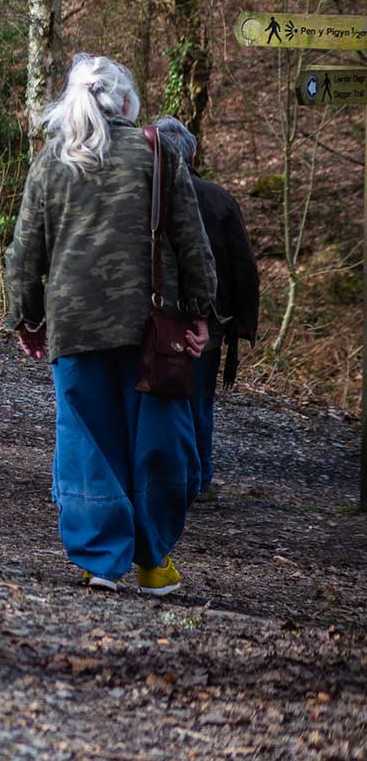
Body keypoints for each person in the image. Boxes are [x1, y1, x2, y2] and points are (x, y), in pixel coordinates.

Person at [5, 56, 214, 595]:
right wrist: (199, 312)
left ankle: (101, 561)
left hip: (74, 323)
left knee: (87, 441)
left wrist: (26, 318)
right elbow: (191, 242)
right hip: (152, 324)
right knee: (158, 443)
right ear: (126, 102)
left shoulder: (53, 160)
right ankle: (152, 559)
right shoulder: (157, 149)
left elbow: (26, 251)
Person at [153, 117, 260, 501]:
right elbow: (244, 265)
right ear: (192, 153)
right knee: (198, 401)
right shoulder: (219, 198)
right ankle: (197, 481)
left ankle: (163, 479)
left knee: (155, 398)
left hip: (154, 316)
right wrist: (243, 324)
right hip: (208, 320)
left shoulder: (144, 196)